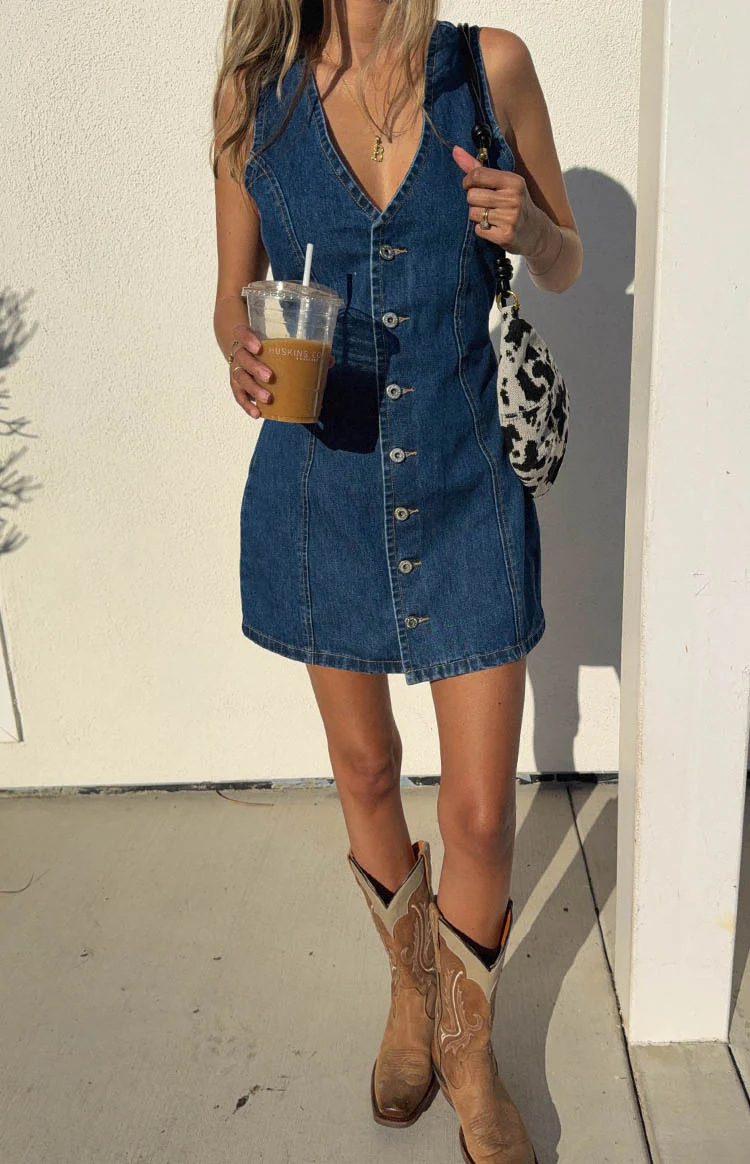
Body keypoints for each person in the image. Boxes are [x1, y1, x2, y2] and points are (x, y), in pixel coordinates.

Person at [211, 2, 582, 1161]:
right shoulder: (253, 93)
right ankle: (411, 998)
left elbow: (569, 261)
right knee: (367, 769)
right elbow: (232, 298)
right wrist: (245, 359)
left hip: (469, 483)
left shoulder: (488, 67)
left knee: (480, 813)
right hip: (322, 485)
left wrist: (533, 229)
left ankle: (470, 1051)